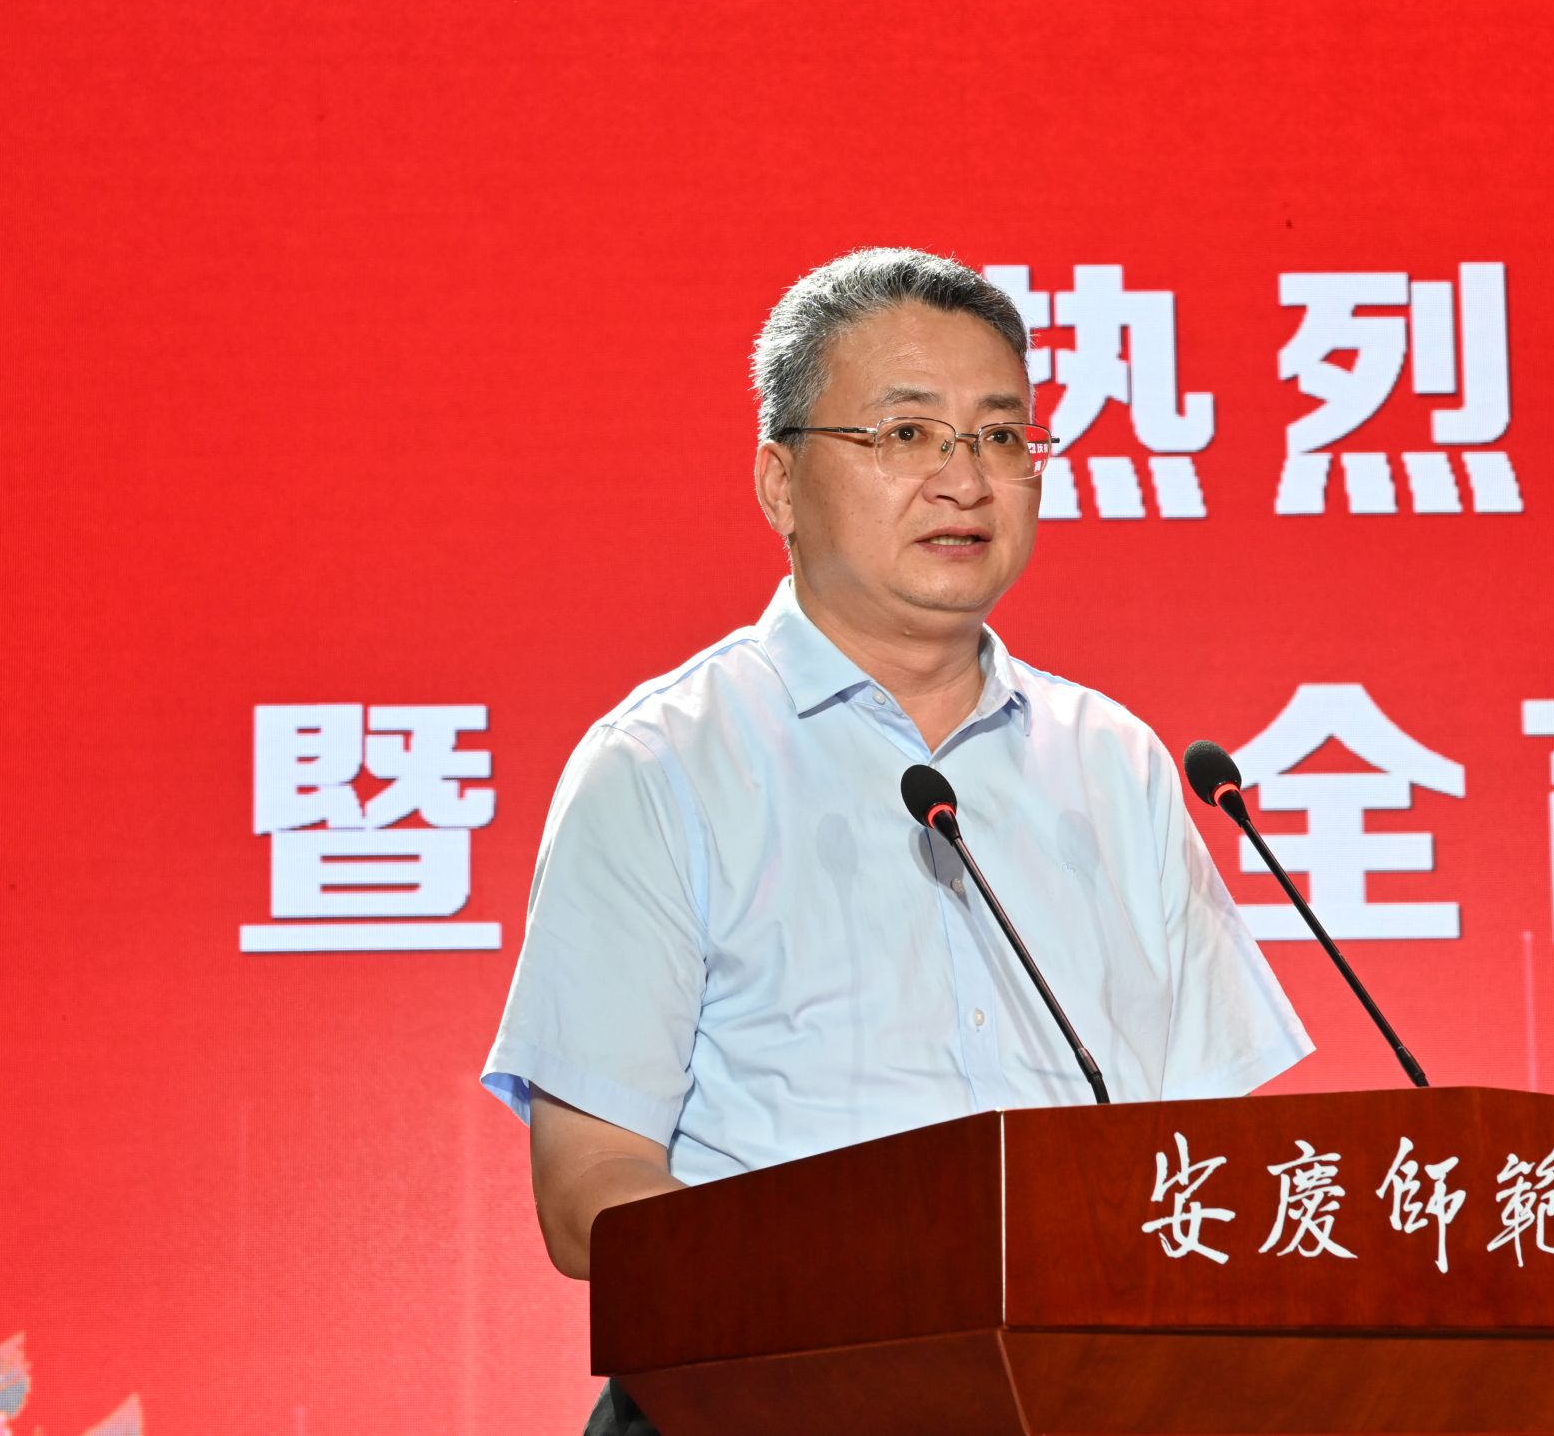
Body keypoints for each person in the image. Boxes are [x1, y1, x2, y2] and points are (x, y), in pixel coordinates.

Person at [481, 247, 1312, 1435]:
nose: (963, 479)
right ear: (778, 482)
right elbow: (587, 1194)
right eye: (906, 434)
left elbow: (1212, 1154)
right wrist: (869, 1284)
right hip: (762, 1406)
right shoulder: (663, 765)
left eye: (1000, 437)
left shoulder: (1112, 763)